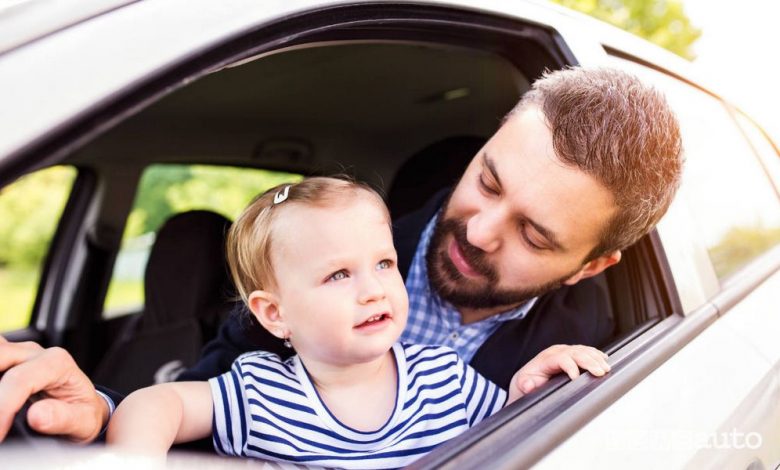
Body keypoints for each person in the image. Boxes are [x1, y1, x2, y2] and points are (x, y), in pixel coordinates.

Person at [0, 67, 683, 443]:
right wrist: (98, 415)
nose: (477, 232)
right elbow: (207, 405)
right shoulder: (311, 274)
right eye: (487, 179)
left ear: (591, 266)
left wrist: (525, 397)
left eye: (534, 235)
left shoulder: (594, 346)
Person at [106, 177, 610, 467]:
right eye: (338, 274)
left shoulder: (443, 378)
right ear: (275, 315)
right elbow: (157, 404)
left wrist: (527, 388)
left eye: (384, 264)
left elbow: (511, 426)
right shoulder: (258, 392)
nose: (373, 288)